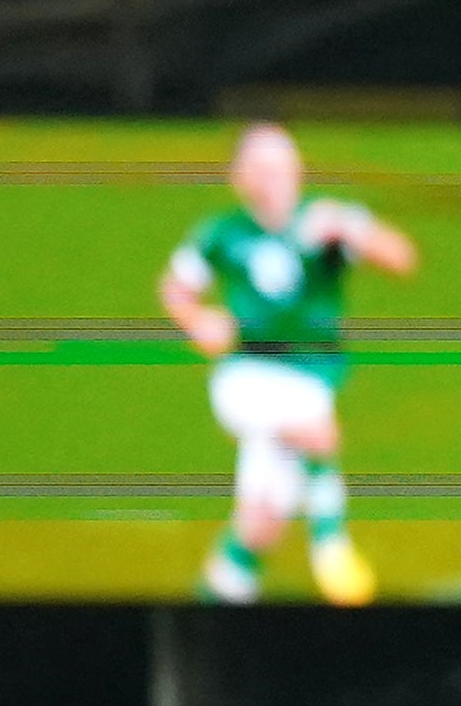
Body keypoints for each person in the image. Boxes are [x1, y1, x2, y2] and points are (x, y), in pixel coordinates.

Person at [161, 123, 415, 608]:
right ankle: (331, 543)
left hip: (312, 379)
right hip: (248, 378)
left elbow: (402, 258)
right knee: (318, 431)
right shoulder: (222, 234)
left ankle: (212, 602)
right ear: (240, 178)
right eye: (261, 167)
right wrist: (196, 319)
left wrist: (352, 228)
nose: (274, 177)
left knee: (259, 525)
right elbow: (176, 287)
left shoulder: (325, 223)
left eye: (282, 165)